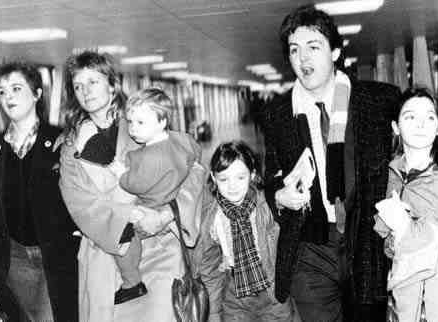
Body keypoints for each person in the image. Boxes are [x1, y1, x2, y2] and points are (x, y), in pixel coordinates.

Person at [260, 5, 401, 321]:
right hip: (310, 246)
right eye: (295, 50)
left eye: (314, 47)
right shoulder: (278, 115)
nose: (303, 59)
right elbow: (270, 177)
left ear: (335, 51)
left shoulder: (380, 102)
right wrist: (278, 196)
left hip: (367, 239)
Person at [58, 50, 206, 322]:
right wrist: (132, 216)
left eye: (93, 81)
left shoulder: (142, 122)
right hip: (105, 255)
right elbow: (80, 205)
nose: (85, 91)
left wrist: (166, 215)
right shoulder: (70, 148)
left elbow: (193, 171)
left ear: (112, 84)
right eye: (78, 86)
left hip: (158, 249)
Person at [74, 87, 201, 304]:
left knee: (120, 234)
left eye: (140, 123)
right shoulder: (181, 139)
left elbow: (134, 184)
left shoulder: (151, 158)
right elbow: (195, 152)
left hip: (149, 208)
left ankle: (132, 282)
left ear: (162, 122)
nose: (133, 129)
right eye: (131, 122)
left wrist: (119, 171)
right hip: (170, 206)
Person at [0, 61, 79, 322]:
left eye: (16, 88)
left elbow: (78, 197)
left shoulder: (61, 141)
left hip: (54, 256)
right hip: (14, 259)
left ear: (37, 94)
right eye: (2, 92)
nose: (8, 97)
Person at [373, 86, 438, 322]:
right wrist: (396, 235)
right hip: (406, 289)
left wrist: (416, 236)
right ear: (395, 127)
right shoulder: (392, 174)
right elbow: (389, 247)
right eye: (410, 116)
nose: (420, 124)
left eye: (429, 117)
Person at [195, 141, 299, 322]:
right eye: (224, 179)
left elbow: (282, 208)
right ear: (213, 177)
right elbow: (209, 268)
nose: (232, 186)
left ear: (252, 175)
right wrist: (213, 313)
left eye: (240, 177)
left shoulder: (265, 205)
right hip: (235, 297)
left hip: (272, 293)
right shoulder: (213, 218)